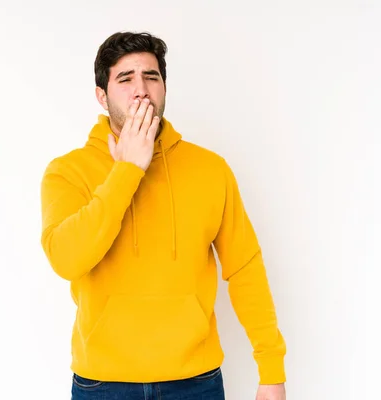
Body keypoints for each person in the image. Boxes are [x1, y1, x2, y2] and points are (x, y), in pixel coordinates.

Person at [40, 31, 287, 400]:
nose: (140, 89)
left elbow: (245, 269)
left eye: (150, 76)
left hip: (196, 382)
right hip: (103, 385)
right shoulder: (68, 172)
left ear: (164, 87)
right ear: (101, 96)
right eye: (125, 79)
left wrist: (271, 371)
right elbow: (66, 259)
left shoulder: (210, 169)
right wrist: (127, 171)